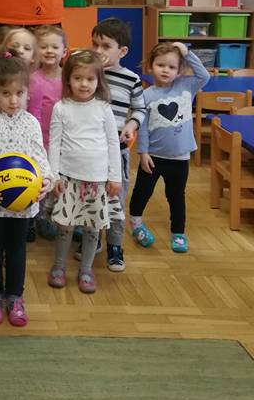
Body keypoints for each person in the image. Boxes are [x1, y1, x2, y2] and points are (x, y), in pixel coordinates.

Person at [0, 54, 52, 327]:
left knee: (17, 250)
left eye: (19, 93)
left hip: (23, 203)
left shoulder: (30, 122)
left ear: (27, 92)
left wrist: (46, 180)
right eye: (6, 93)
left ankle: (15, 296)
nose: (13, 100)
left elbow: (39, 155)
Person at [47, 50, 122, 295]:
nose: (84, 84)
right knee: (65, 226)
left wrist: (115, 176)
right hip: (69, 178)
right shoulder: (61, 108)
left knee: (92, 227)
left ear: (98, 81)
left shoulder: (103, 108)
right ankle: (59, 267)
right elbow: (54, 144)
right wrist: (54, 176)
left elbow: (113, 143)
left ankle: (86, 270)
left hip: (98, 180)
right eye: (78, 78)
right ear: (68, 79)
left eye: (90, 79)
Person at [129, 42, 209, 254]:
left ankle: (178, 232)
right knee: (142, 192)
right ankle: (135, 223)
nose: (166, 70)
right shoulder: (146, 95)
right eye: (160, 65)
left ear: (180, 70)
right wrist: (143, 153)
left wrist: (186, 53)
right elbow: (142, 128)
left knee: (176, 196)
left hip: (180, 158)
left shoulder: (187, 86)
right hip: (153, 157)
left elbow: (204, 76)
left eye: (172, 67)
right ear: (150, 66)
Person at [91, 17, 146, 272]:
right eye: (95, 44)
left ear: (122, 51)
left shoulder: (131, 79)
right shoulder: (89, 74)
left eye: (105, 46)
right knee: (91, 197)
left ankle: (115, 246)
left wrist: (131, 125)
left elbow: (140, 109)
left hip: (118, 152)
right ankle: (92, 240)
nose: (98, 50)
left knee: (116, 200)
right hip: (91, 151)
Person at [27, 25, 66, 239]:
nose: (49, 51)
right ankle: (37, 217)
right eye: (44, 47)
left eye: (54, 47)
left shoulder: (69, 78)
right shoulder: (32, 78)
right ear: (36, 51)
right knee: (40, 178)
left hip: (63, 140)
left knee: (59, 178)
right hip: (38, 139)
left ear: (64, 51)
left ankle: (58, 216)